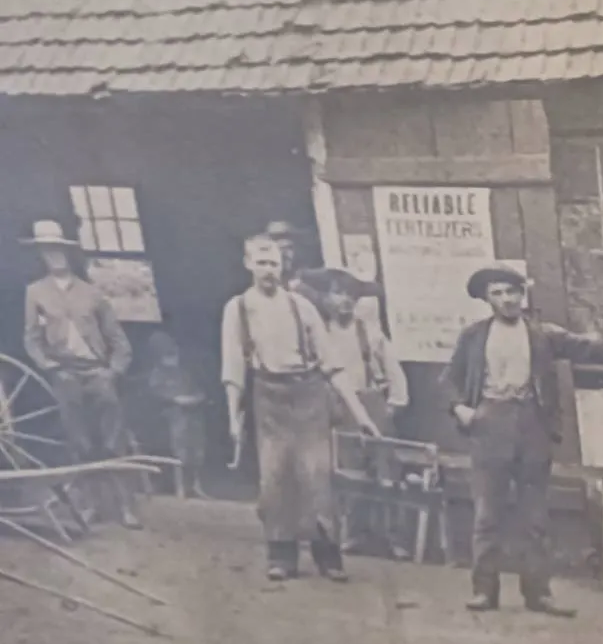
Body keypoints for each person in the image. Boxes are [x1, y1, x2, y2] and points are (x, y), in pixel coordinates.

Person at [442, 263, 603, 617]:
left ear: (523, 295)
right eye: (497, 293)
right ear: (487, 299)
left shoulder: (542, 335)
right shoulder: (474, 336)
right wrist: (461, 409)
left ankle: (538, 593)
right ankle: (484, 590)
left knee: (534, 516)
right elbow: (450, 380)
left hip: (532, 423)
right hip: (490, 422)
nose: (506, 299)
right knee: (488, 513)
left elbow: (587, 347)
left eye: (512, 292)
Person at [221, 235, 380, 583]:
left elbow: (332, 365)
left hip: (308, 395)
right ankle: (281, 554)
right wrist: (234, 417)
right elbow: (233, 368)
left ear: (283, 266)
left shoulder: (301, 306)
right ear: (248, 264)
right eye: (261, 263)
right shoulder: (238, 309)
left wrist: (361, 415)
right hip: (267, 397)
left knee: (316, 476)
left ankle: (328, 556)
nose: (268, 270)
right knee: (274, 478)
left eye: (274, 263)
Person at [21, 219, 141, 529]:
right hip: (65, 374)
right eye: (47, 250)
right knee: (79, 441)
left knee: (114, 439)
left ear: (68, 253)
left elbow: (119, 341)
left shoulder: (92, 293)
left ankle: (125, 507)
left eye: (58, 249)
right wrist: (50, 368)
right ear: (40, 255)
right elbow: (31, 339)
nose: (54, 256)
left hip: (97, 372)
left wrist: (112, 372)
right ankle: (89, 505)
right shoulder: (35, 293)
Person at [298, 265, 409, 558]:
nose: (345, 300)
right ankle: (354, 533)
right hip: (337, 407)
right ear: (325, 298)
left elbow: (393, 371)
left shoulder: (369, 332)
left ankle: (395, 537)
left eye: (350, 295)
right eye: (338, 293)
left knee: (386, 472)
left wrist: (393, 404)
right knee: (348, 471)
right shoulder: (319, 334)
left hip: (371, 402)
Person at [146, 328, 209, 499]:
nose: (173, 357)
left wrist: (196, 398)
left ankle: (195, 485)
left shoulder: (184, 374)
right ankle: (180, 487)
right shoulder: (156, 376)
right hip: (172, 421)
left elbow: (198, 391)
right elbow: (157, 396)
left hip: (192, 417)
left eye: (174, 353)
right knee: (179, 454)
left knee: (196, 451)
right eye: (168, 354)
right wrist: (176, 400)